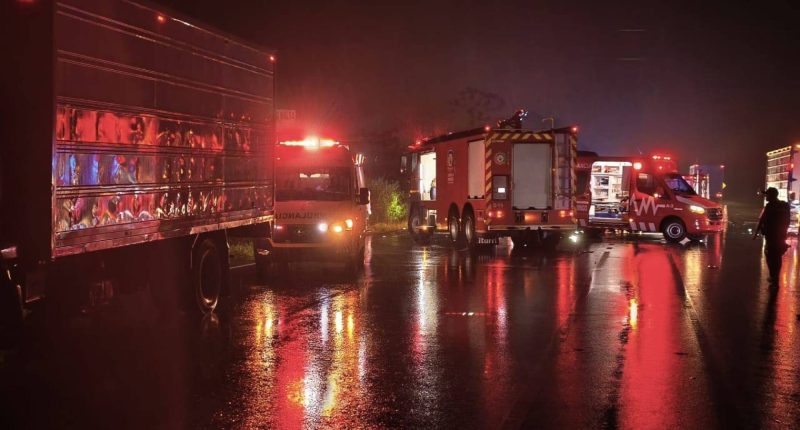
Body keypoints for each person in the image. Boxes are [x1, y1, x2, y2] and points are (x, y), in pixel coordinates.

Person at [754, 187, 791, 284]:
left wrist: (756, 233)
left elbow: (761, 220)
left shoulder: (769, 206)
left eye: (767, 195)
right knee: (777, 256)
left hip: (771, 236)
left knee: (770, 256)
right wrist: (784, 233)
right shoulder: (784, 205)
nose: (766, 196)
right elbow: (788, 220)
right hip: (781, 236)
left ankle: (773, 276)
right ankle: (775, 276)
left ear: (771, 195)